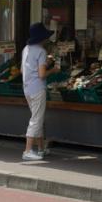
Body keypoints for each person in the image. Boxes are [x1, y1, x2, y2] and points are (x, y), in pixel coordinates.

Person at [21, 22, 61, 161]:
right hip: (37, 88)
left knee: (37, 117)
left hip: (27, 88)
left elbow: (24, 70)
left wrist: (45, 64)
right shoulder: (41, 51)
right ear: (42, 38)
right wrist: (53, 70)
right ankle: (27, 151)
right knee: (36, 119)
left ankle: (41, 149)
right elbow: (42, 74)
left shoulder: (26, 49)